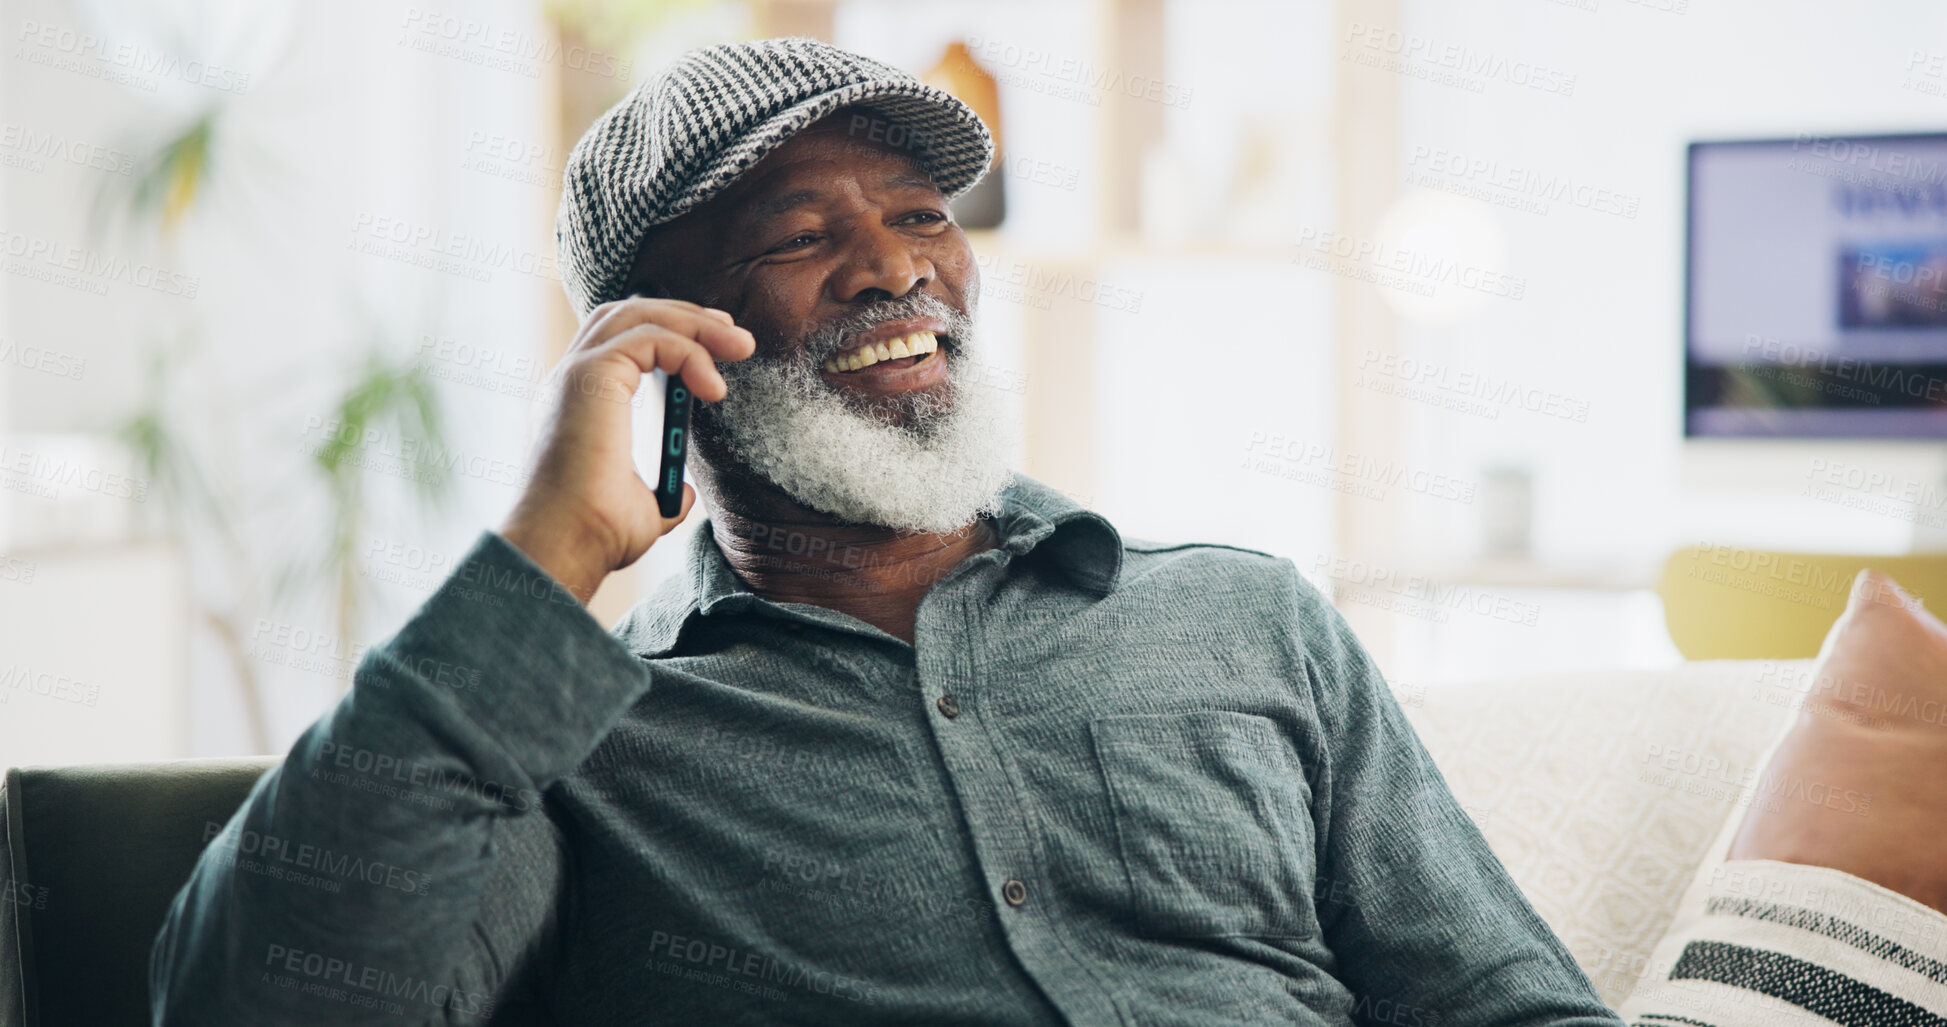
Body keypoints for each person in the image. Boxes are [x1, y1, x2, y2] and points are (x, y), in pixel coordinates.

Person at [150, 37, 1623, 1025]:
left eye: (924, 215)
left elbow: (1510, 1004)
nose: (893, 270)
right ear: (657, 341)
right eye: (798, 237)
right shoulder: (581, 742)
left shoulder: (1246, 619)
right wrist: (544, 560)